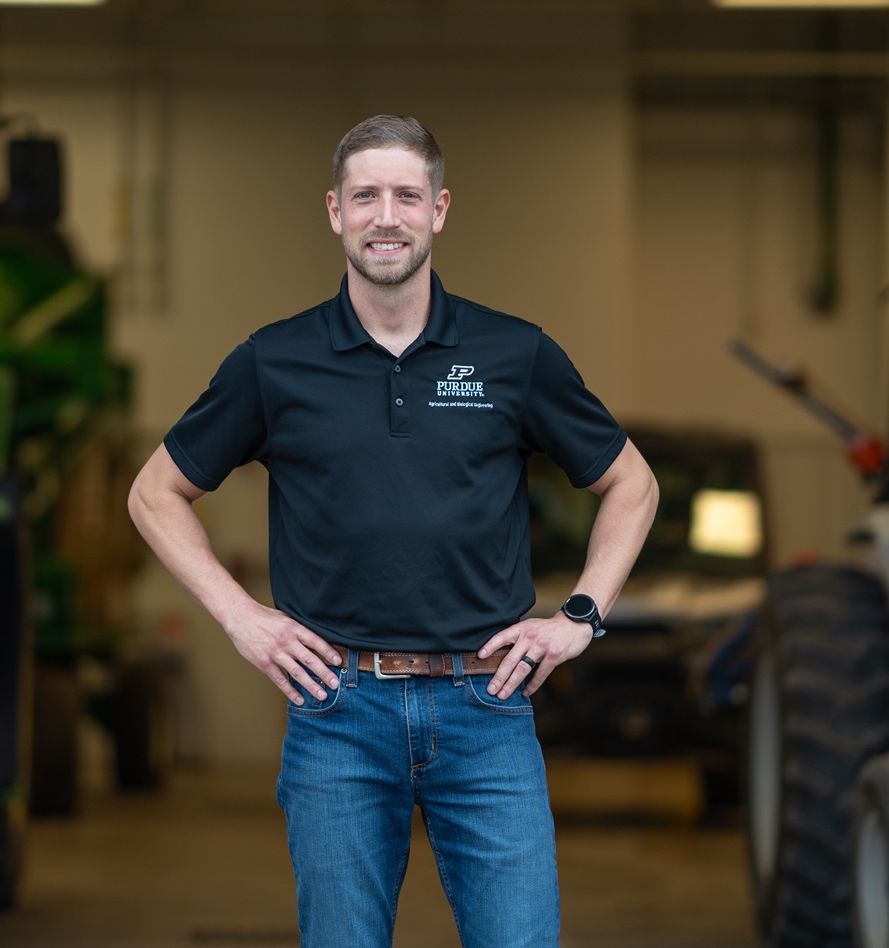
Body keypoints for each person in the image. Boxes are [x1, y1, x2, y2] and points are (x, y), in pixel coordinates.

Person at [126, 114, 658, 948]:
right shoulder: (274, 362)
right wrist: (242, 618)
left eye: (406, 196)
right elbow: (154, 492)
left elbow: (632, 481)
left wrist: (580, 617)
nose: (387, 216)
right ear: (334, 212)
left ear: (439, 210)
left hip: (488, 708)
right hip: (337, 709)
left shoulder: (513, 354)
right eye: (365, 195)